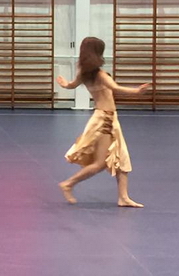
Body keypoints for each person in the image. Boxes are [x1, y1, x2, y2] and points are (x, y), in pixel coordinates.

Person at [56, 36, 150, 208]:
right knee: (100, 163)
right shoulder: (100, 75)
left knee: (120, 157)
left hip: (105, 118)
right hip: (105, 120)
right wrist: (137, 92)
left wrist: (64, 84)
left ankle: (123, 197)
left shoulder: (84, 75)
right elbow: (115, 88)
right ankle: (68, 183)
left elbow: (71, 85)